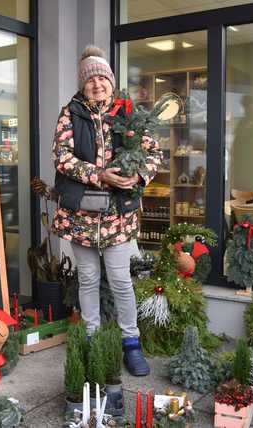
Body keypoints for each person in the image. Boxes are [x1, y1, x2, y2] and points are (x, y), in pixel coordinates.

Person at [51, 45, 162, 376]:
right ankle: (91, 339)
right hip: (81, 216)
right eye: (90, 79)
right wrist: (97, 174)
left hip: (117, 215)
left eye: (102, 77)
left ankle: (131, 343)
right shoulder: (70, 112)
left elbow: (154, 153)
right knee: (87, 279)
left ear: (111, 82)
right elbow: (62, 157)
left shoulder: (127, 113)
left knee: (120, 280)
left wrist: (138, 174)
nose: (97, 84)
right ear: (82, 84)